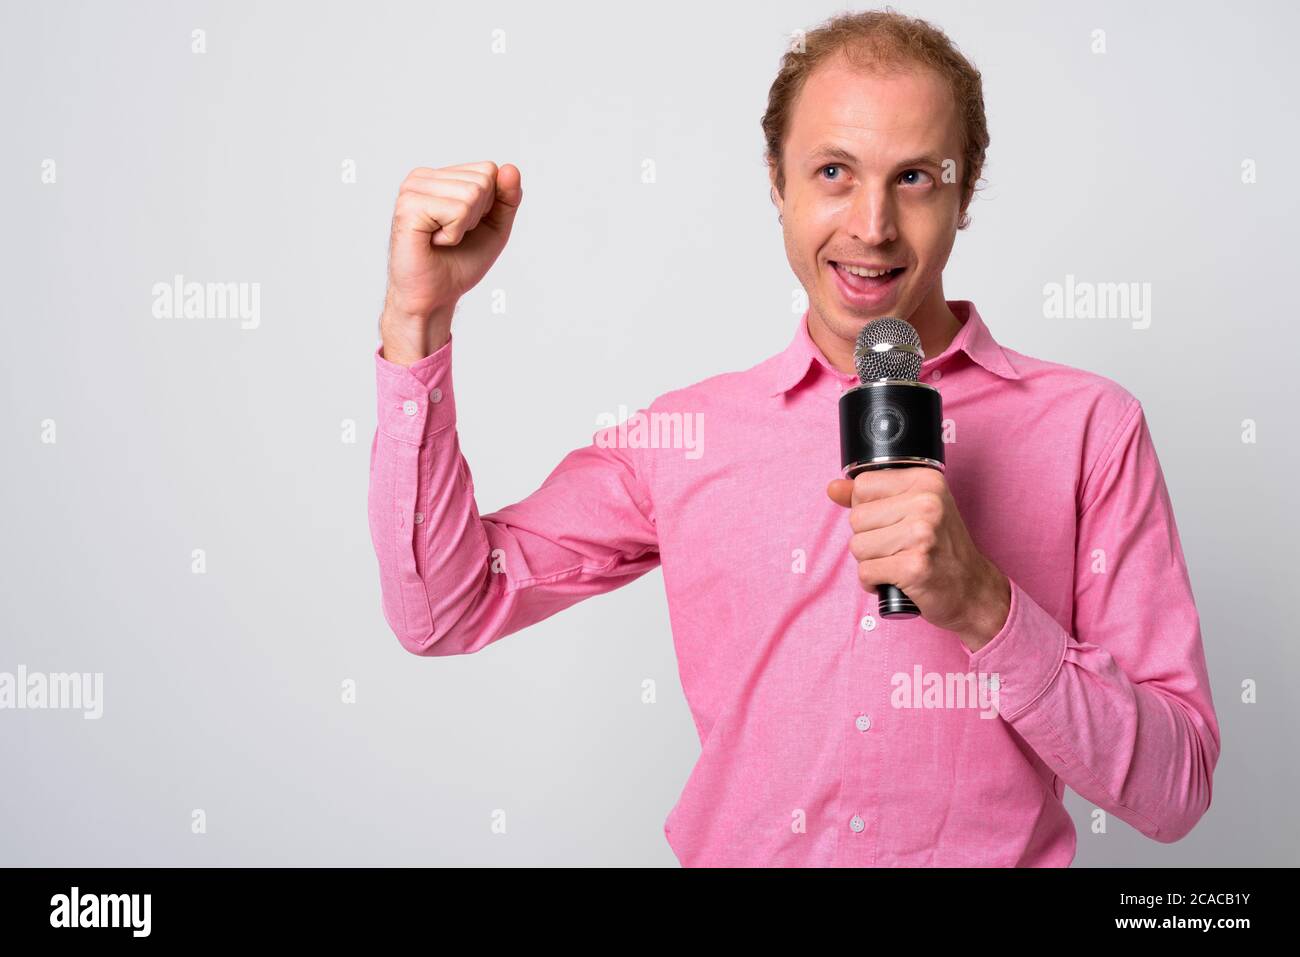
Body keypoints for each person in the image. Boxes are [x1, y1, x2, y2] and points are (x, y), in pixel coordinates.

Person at [366, 9, 1219, 866]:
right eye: (834, 171)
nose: (873, 225)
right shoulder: (686, 436)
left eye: (916, 176)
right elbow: (445, 609)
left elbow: (1176, 790)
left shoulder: (1089, 428)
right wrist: (420, 317)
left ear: (966, 191)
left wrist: (986, 606)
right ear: (778, 181)